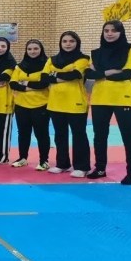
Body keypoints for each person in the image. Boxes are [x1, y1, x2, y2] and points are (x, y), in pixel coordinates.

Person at [85, 20, 131, 185]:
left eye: (114, 30)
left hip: (123, 97)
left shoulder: (130, 49)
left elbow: (127, 73)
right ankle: (100, 168)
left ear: (121, 32)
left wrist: (101, 73)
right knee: (99, 136)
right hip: (100, 98)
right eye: (106, 30)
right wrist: (112, 71)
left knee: (128, 136)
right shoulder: (96, 53)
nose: (109, 33)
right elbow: (89, 74)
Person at [43, 31, 91, 178]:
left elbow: (75, 75)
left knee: (79, 135)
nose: (68, 44)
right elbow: (44, 77)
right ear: (60, 43)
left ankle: (82, 166)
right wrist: (61, 76)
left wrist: (54, 75)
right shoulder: (52, 60)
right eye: (65, 41)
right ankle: (62, 163)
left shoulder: (83, 59)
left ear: (77, 43)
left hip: (76, 103)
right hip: (55, 103)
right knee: (60, 135)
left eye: (71, 41)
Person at [9, 39, 51, 171]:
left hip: (41, 105)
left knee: (41, 133)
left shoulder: (47, 65)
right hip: (21, 105)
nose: (32, 51)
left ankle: (44, 161)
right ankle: (22, 158)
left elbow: (43, 84)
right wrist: (32, 87)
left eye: (36, 49)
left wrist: (24, 83)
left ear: (41, 50)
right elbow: (13, 84)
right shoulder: (19, 66)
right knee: (23, 133)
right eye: (29, 49)